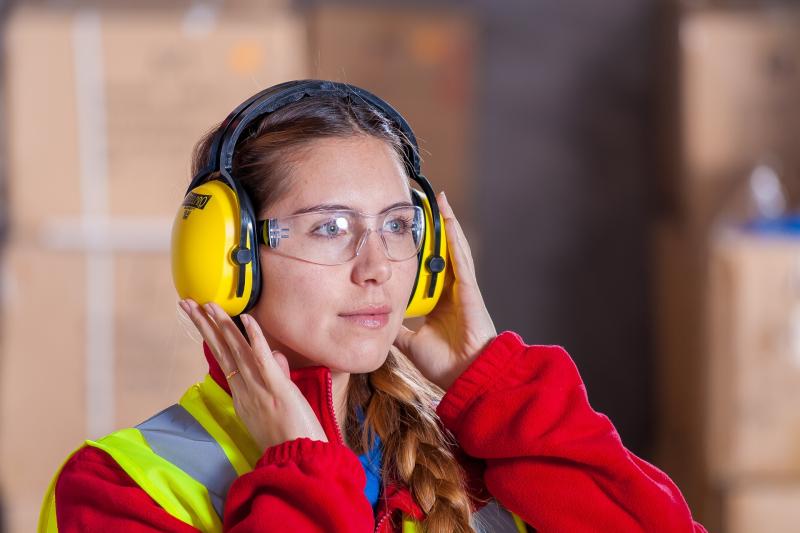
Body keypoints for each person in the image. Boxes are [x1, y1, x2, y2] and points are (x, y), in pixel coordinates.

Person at [39, 80, 706, 533]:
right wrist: (298, 470)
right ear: (225, 258)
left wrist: (497, 382)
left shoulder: (486, 456)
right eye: (330, 228)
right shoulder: (116, 489)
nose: (378, 266)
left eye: (396, 225)